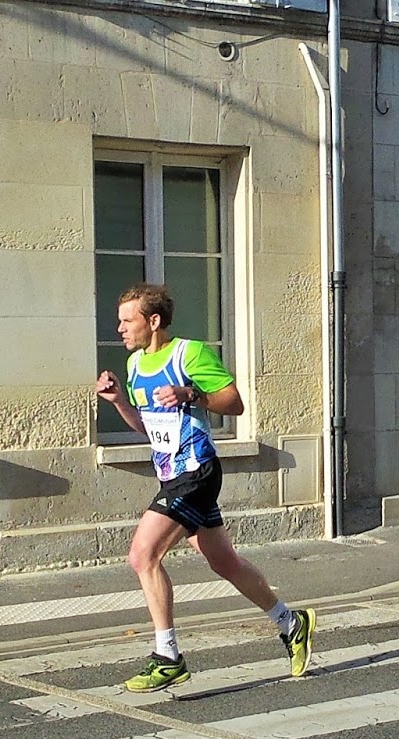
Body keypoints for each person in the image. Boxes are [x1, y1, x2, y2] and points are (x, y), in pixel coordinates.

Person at [95, 283, 316, 692]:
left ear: (153, 321)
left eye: (127, 321)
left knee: (143, 555)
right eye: (120, 321)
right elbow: (148, 427)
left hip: (196, 472)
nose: (120, 328)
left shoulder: (189, 354)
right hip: (171, 475)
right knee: (224, 562)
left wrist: (190, 393)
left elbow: (234, 403)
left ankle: (168, 657)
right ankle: (290, 622)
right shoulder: (135, 365)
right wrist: (119, 402)